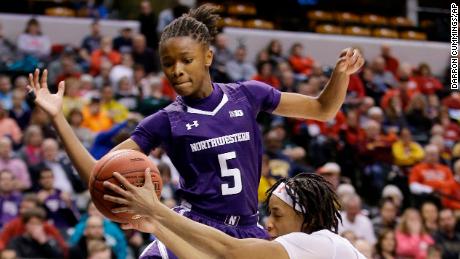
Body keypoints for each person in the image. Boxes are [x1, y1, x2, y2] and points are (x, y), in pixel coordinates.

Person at [28, 4, 364, 259]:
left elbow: (324, 109)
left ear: (207, 56)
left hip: (249, 230)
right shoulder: (164, 120)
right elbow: (100, 176)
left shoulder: (249, 94)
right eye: (168, 63)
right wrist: (58, 119)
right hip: (191, 229)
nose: (176, 70)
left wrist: (342, 74)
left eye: (185, 60)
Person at [104, 171, 366, 258]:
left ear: (307, 219)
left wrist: (156, 210)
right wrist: (156, 226)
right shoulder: (289, 252)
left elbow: (226, 249)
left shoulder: (321, 243)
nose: (269, 224)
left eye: (277, 214)